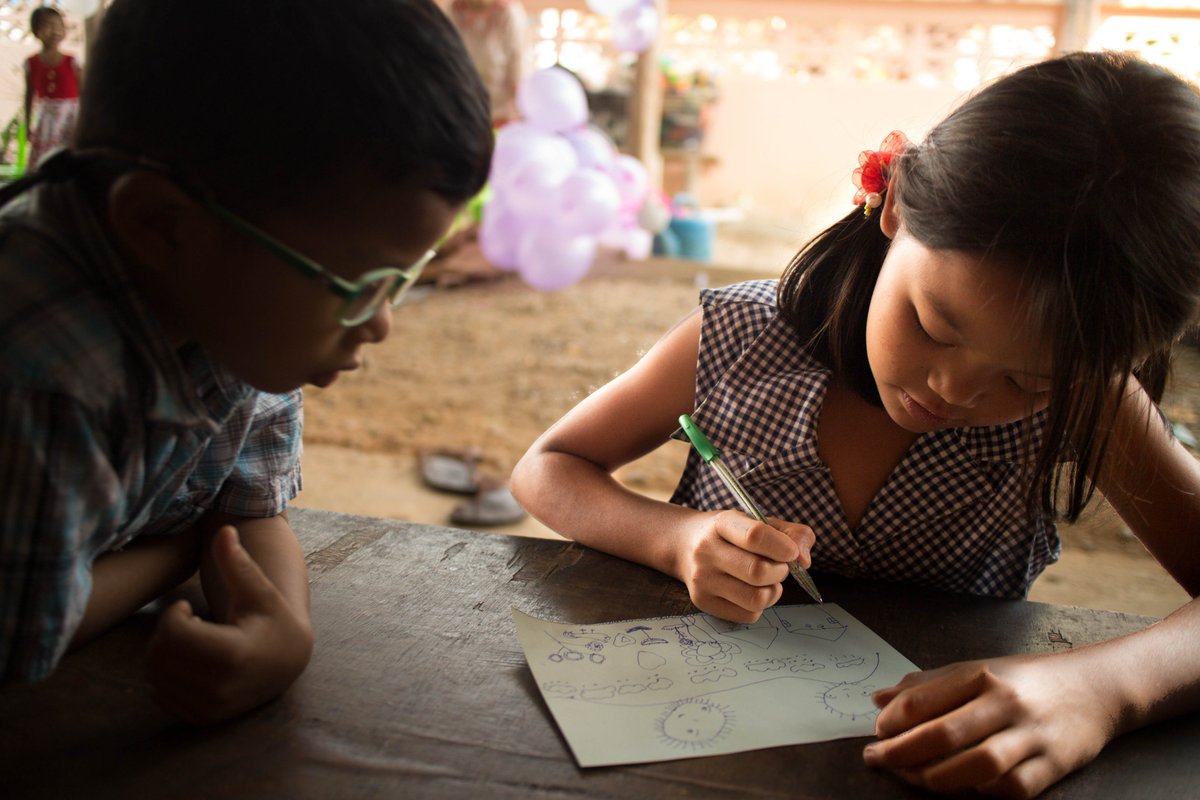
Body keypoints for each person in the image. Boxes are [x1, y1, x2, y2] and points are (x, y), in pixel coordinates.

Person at [512, 51, 1200, 798]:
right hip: (698, 742)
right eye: (934, 325)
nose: (953, 389)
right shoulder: (741, 339)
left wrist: (1103, 689)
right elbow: (547, 466)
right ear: (897, 202)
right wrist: (674, 539)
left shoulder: (1091, 395)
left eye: (1027, 382)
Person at [0, 0, 492, 725]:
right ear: (162, 225)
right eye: (359, 288)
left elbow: (251, 512)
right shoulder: (43, 372)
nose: (381, 325)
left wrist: (283, 632)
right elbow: (23, 633)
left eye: (400, 282)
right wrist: (182, 551)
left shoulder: (232, 297)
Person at [446, 0, 527, 127]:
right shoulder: (453, 10)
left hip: (500, 109)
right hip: (463, 106)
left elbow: (518, 62)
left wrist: (518, 111)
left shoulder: (508, 12)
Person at [23, 5, 84, 170]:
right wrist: (28, 122)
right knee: (45, 159)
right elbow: (29, 94)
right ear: (36, 31)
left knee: (69, 154)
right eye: (48, 25)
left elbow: (83, 92)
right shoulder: (31, 63)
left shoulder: (72, 61)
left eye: (59, 25)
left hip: (70, 117)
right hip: (46, 119)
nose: (55, 30)